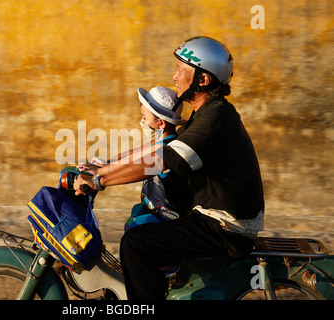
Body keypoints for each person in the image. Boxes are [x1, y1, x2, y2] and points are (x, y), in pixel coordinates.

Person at [74, 36, 265, 300]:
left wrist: (101, 181)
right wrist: (102, 168)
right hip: (214, 218)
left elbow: (162, 160)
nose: (174, 76)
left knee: (136, 244)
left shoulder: (215, 119)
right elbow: (155, 151)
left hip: (224, 227)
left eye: (181, 70)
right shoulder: (207, 113)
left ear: (203, 79)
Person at [78, 86, 184, 231]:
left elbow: (135, 163)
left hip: (165, 217)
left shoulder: (168, 147)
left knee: (136, 231)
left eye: (144, 118)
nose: (142, 122)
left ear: (161, 123)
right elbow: (130, 155)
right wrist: (107, 163)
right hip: (150, 208)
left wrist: (101, 173)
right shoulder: (158, 142)